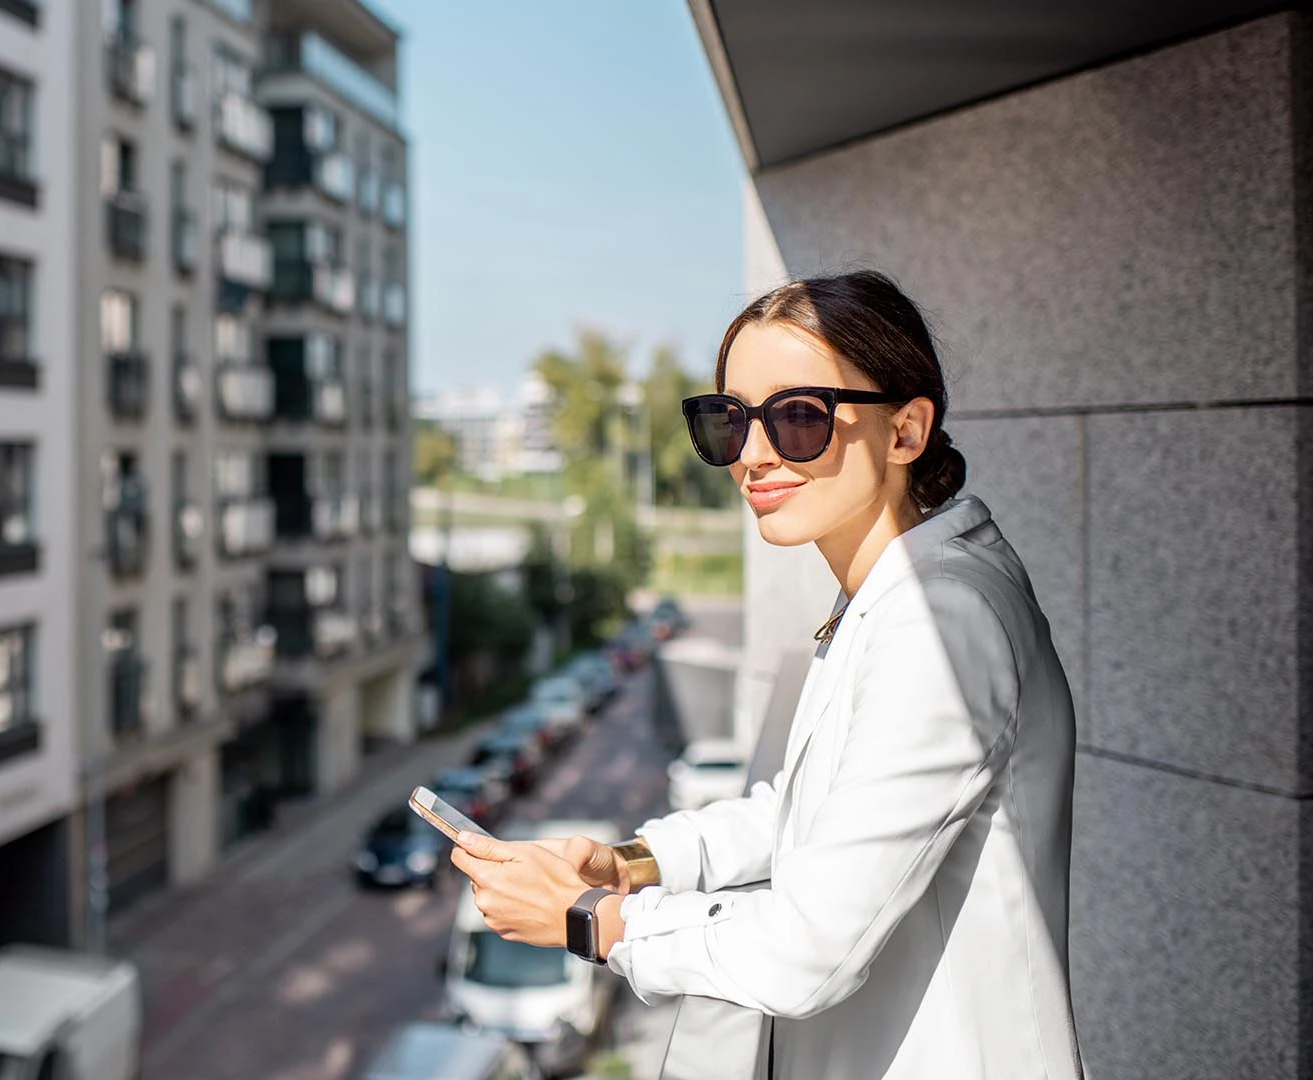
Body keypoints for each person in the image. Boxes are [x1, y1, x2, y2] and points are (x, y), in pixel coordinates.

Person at [449, 270, 1083, 1079]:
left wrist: (589, 919)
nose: (751, 455)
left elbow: (805, 952)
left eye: (798, 417)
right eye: (727, 421)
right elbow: (810, 807)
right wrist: (631, 863)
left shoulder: (940, 619)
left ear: (906, 431)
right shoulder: (892, 591)